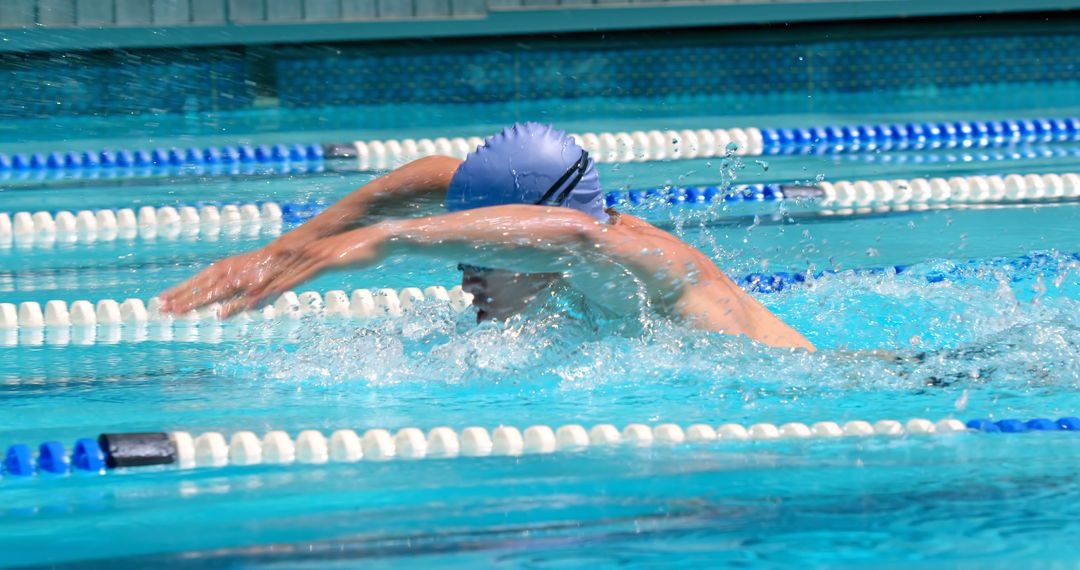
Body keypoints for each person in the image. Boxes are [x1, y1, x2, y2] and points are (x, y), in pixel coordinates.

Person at [160, 123, 815, 351]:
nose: (463, 271)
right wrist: (286, 249)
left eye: (479, 248)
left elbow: (571, 235)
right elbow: (428, 178)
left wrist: (389, 241)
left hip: (809, 402)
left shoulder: (633, 266)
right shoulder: (551, 222)